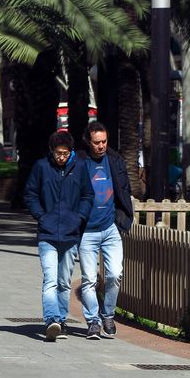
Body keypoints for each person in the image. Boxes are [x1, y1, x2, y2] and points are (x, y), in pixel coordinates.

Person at [24, 130, 94, 341]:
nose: (61, 157)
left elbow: (88, 195)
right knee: (50, 280)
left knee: (64, 282)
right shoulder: (41, 167)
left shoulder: (80, 168)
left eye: (65, 153)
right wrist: (41, 216)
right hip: (47, 233)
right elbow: (30, 193)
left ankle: (61, 321)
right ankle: (51, 319)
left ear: (71, 152)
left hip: (71, 234)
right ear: (51, 151)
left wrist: (79, 217)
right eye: (58, 153)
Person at [76, 121, 134, 339]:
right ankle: (93, 321)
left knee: (115, 274)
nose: (101, 146)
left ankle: (108, 314)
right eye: (96, 142)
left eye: (104, 141)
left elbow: (124, 188)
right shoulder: (80, 162)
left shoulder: (115, 160)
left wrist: (122, 221)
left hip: (110, 228)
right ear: (88, 142)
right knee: (89, 279)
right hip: (87, 232)